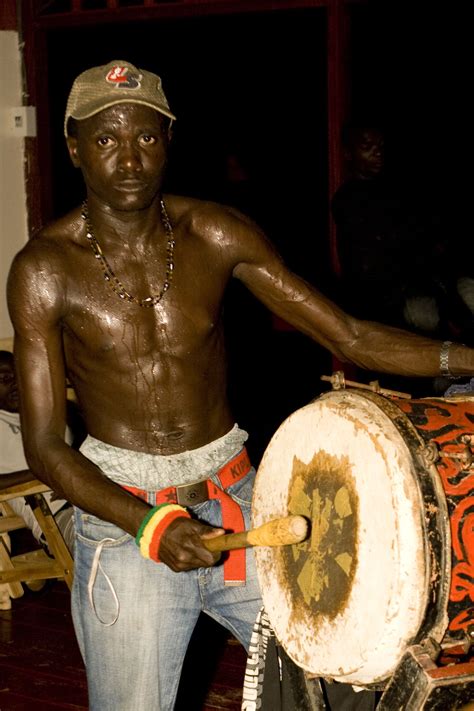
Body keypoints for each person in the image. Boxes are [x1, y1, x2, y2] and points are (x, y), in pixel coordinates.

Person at [6, 60, 474, 711]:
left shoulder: (215, 233)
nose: (129, 158)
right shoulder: (44, 270)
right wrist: (149, 525)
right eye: (106, 139)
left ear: (169, 137)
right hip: (126, 520)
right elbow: (46, 446)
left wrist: (462, 357)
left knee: (338, 677)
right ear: (74, 147)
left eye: (145, 136)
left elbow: (348, 334)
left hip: (240, 502)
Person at [331, 121, 471, 340]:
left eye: (380, 145)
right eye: (367, 146)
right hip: (386, 302)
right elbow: (373, 265)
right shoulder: (349, 199)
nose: (377, 152)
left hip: (424, 287)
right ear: (349, 154)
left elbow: (427, 240)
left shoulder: (394, 191)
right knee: (428, 316)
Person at [0, 350, 74, 607]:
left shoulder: (46, 414)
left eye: (16, 375)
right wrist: (46, 474)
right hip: (59, 515)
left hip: (93, 500)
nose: (13, 382)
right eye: (3, 378)